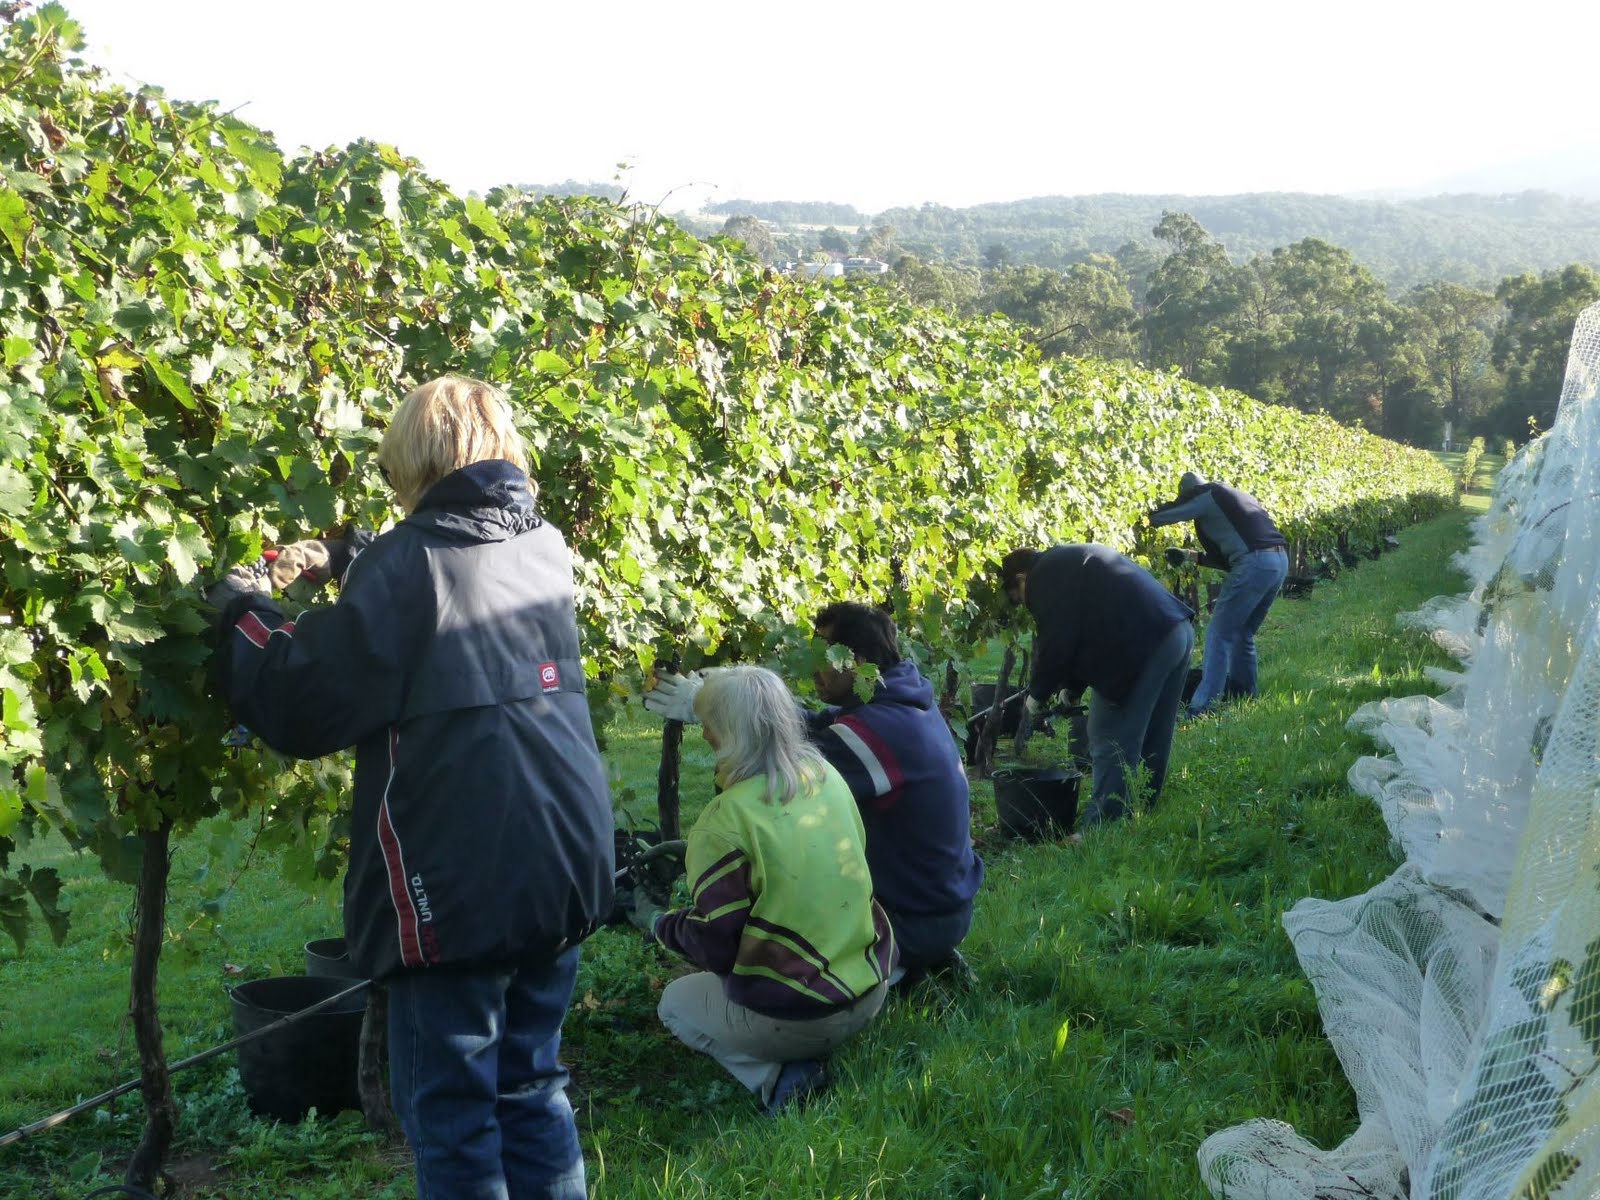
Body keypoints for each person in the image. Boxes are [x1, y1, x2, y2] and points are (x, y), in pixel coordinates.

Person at [209, 375, 613, 1200]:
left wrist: (241, 610)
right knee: (533, 1090)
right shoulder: (543, 544)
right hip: (564, 861)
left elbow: (302, 697)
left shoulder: (406, 566)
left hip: (460, 883)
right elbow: (452, 594)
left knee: (453, 1119)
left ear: (412, 460)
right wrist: (354, 558)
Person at [634, 666, 896, 1114]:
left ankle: (778, 1076)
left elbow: (715, 947)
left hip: (807, 1017)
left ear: (718, 736)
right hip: (873, 988)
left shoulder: (725, 820)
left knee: (675, 1002)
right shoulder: (826, 776)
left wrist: (655, 922)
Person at [803, 602, 983, 986]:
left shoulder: (871, 733)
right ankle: (918, 962)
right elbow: (819, 725)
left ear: (858, 662)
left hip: (912, 922)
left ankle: (893, 973)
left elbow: (788, 774)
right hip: (946, 909)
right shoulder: (904, 702)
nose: (812, 667)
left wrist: (730, 716)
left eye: (824, 655)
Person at [1000, 545, 1195, 828]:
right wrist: (1072, 688)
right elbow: (1085, 625)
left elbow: (1058, 642)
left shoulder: (1043, 575)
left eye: (1017, 598)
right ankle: (1143, 809)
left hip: (1141, 647)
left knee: (1108, 735)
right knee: (1155, 732)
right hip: (1174, 632)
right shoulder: (1066, 561)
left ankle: (1102, 826)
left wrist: (1037, 695)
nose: (1024, 604)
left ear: (1020, 578)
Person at [1148, 471, 1288, 716]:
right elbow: (1236, 554)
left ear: (1192, 492)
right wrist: (1191, 555)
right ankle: (1244, 695)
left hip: (1256, 562)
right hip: (1277, 561)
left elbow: (1162, 517)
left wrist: (1146, 516)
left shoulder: (1209, 494)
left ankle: (1203, 707)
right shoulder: (1236, 498)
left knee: (1219, 634)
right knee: (1242, 632)